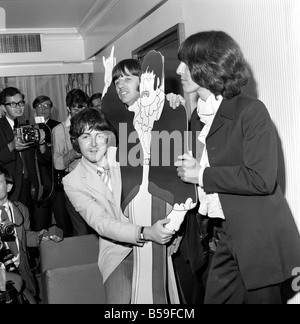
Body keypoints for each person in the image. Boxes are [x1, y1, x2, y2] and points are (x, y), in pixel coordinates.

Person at [174, 30, 300, 304]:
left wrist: (203, 175)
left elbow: (261, 179)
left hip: (258, 240)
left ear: (208, 65)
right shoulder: (197, 116)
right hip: (219, 236)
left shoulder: (250, 110)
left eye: (186, 62)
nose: (179, 70)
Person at [102, 55, 196, 303]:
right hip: (133, 199)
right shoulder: (126, 118)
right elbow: (108, 104)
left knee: (150, 273)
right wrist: (107, 79)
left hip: (155, 197)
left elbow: (179, 172)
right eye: (116, 80)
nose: (120, 85)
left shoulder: (169, 114)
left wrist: (176, 220)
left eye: (127, 78)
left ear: (145, 82)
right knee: (153, 270)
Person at [62, 107, 175, 304]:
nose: (94, 144)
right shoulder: (72, 181)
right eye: (86, 137)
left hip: (156, 242)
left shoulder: (128, 156)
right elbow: (101, 223)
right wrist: (144, 232)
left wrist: (172, 229)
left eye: (99, 135)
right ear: (76, 142)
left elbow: (165, 188)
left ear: (108, 137)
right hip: (118, 252)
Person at [0, 165, 49, 303]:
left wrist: (40, 236)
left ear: (9, 187)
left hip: (21, 266)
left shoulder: (21, 210)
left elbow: (24, 237)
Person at [0, 87, 47, 222]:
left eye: (21, 103)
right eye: (13, 104)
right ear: (3, 107)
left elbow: (44, 159)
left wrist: (42, 142)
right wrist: (11, 146)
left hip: (29, 183)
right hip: (9, 185)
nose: (19, 107)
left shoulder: (30, 126)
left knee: (27, 222)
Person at [52, 88, 94, 237]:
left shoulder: (92, 126)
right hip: (73, 183)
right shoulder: (59, 130)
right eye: (77, 107)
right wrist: (72, 154)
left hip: (94, 181)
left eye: (84, 107)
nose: (81, 111)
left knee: (98, 227)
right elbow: (57, 163)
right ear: (69, 108)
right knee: (81, 229)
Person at [32, 95, 70, 234]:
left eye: (46, 106)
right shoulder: (29, 129)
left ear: (51, 109)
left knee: (63, 219)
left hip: (56, 179)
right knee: (40, 223)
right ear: (34, 109)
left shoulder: (59, 127)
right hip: (39, 182)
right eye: (39, 106)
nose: (43, 109)